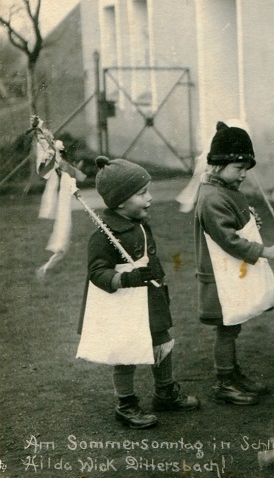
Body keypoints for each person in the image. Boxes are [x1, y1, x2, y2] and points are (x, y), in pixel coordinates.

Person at [81, 156, 200, 429]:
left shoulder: (140, 224)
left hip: (149, 296)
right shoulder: (104, 234)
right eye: (142, 193)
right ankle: (126, 403)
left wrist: (157, 279)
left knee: (162, 342)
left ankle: (165, 392)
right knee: (126, 351)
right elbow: (97, 273)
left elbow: (149, 257)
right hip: (123, 300)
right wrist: (126, 278)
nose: (150, 198)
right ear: (121, 200)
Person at [194, 122, 274, 405]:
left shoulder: (223, 190)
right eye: (238, 168)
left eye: (247, 167)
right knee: (227, 327)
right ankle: (225, 381)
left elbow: (236, 222)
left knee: (232, 326)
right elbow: (228, 239)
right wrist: (263, 251)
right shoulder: (211, 197)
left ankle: (232, 374)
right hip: (220, 276)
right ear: (218, 165)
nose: (244, 174)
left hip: (231, 273)